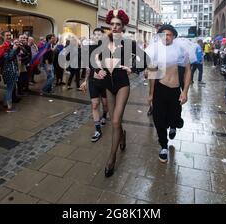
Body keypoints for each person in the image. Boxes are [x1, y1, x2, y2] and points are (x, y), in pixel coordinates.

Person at [94, 9, 149, 177]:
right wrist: (98, 69)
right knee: (114, 121)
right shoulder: (103, 42)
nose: (115, 27)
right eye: (112, 24)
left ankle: (112, 158)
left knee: (116, 120)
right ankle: (122, 135)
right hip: (107, 85)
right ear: (109, 25)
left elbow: (145, 59)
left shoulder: (128, 43)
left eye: (118, 24)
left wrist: (132, 68)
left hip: (122, 84)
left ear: (123, 26)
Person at [146, 25, 191, 163]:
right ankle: (164, 146)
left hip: (175, 89)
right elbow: (152, 74)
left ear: (174, 36)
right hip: (160, 88)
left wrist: (185, 92)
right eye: (163, 34)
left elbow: (188, 71)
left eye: (169, 34)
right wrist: (151, 94)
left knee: (175, 116)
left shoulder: (180, 50)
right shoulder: (155, 51)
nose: (166, 37)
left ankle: (174, 124)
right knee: (159, 118)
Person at [80, 28, 110, 142]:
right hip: (93, 81)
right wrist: (85, 81)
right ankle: (98, 130)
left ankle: (105, 114)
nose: (97, 36)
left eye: (99, 34)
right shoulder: (90, 50)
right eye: (95, 35)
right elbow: (89, 67)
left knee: (105, 103)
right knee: (95, 105)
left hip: (105, 81)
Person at [1, 33, 19, 113]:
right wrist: (14, 49)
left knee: (10, 88)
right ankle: (9, 107)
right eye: (6, 35)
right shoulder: (3, 47)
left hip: (13, 70)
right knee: (9, 89)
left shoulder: (10, 45)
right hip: (8, 71)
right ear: (3, 37)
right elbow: (8, 58)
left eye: (9, 35)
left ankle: (5, 103)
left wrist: (17, 47)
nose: (8, 37)